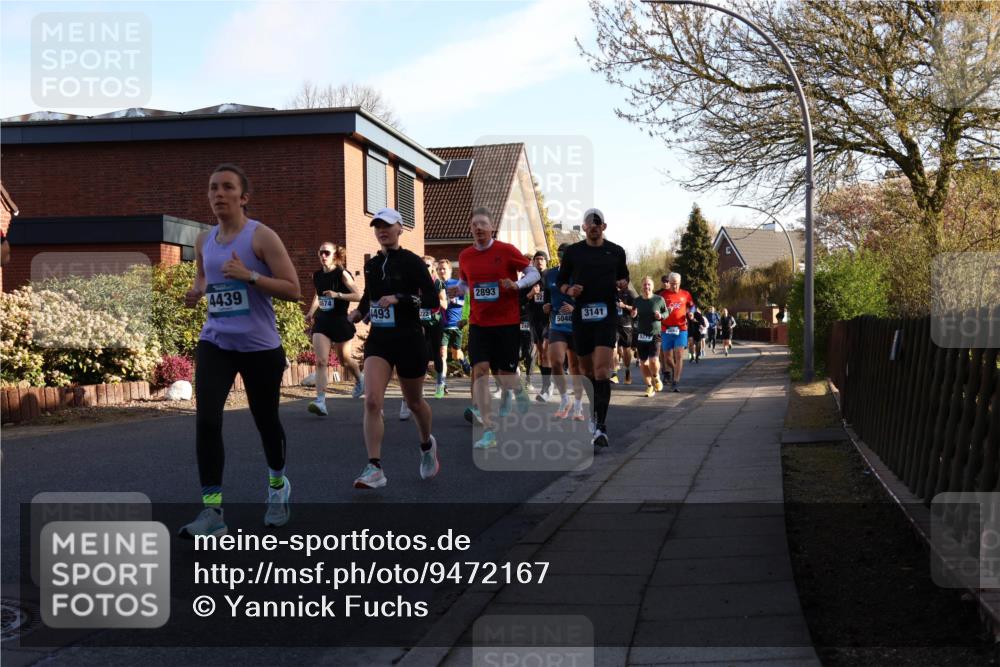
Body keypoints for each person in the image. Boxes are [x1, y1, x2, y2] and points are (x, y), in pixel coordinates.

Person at [179, 163, 301, 538]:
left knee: (266, 421)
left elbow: (293, 289)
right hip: (216, 341)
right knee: (207, 420)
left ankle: (278, 487)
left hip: (260, 347)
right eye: (212, 187)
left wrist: (250, 276)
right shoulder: (204, 240)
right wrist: (198, 291)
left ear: (243, 197)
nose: (218, 193)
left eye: (227, 187)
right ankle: (212, 512)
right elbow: (204, 273)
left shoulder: (261, 237)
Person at [348, 208, 440, 489]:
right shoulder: (372, 264)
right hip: (380, 339)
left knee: (414, 402)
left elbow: (431, 299)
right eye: (377, 226)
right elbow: (370, 297)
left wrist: (400, 298)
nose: (382, 231)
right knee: (372, 400)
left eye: (387, 226)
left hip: (410, 338)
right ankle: (374, 467)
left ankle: (427, 445)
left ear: (400, 228)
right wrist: (358, 313)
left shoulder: (412, 262)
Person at [448, 207, 540, 449]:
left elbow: (533, 272)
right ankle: (489, 431)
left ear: (492, 228)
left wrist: (517, 284)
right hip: (479, 323)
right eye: (474, 225)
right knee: (479, 371)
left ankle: (518, 389)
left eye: (482, 224)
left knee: (505, 375)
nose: (478, 228)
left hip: (506, 323)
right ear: (470, 229)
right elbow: (466, 284)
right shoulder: (465, 255)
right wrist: (459, 289)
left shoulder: (506, 251)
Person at [557, 208, 629, 448]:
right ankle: (595, 412)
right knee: (586, 371)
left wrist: (622, 283)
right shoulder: (574, 252)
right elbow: (560, 282)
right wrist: (569, 290)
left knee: (601, 371)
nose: (594, 227)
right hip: (582, 316)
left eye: (598, 224)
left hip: (607, 315)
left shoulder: (616, 251)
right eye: (590, 224)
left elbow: (624, 277)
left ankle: (600, 426)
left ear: (604, 227)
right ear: (584, 227)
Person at [305, 243, 362, 416]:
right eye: (320, 252)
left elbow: (358, 295)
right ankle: (321, 401)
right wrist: (310, 313)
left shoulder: (342, 274)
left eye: (327, 253)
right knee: (321, 361)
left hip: (340, 320)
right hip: (323, 321)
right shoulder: (317, 275)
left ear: (334, 255)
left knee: (344, 360)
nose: (323, 255)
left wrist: (338, 295)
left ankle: (360, 380)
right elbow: (318, 295)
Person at [544, 243, 585, 420]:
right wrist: (546, 306)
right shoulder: (550, 274)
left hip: (576, 326)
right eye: (561, 255)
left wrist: (575, 308)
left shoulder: (580, 274)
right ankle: (564, 399)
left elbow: (588, 299)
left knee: (576, 366)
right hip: (557, 325)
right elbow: (547, 296)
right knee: (556, 362)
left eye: (566, 254)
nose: (563, 257)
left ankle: (578, 405)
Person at [658, 272, 695, 392]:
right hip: (666, 329)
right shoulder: (663, 295)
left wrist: (691, 312)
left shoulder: (685, 294)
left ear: (680, 283)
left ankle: (675, 381)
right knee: (667, 358)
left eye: (676, 284)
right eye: (672, 283)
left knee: (679, 354)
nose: (674, 286)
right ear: (669, 282)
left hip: (681, 329)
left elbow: (692, 305)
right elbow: (658, 310)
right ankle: (674, 370)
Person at [438, 259, 471, 387]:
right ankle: (442, 384)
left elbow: (465, 302)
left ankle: (464, 361)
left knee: (456, 353)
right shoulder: (436, 285)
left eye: (444, 269)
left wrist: (452, 300)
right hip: (442, 325)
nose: (441, 271)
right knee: (442, 354)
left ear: (450, 271)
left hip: (455, 324)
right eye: (439, 269)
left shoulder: (457, 284)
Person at [633, 277, 668, 397]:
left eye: (648, 285)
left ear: (652, 286)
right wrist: (633, 314)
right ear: (641, 287)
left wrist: (660, 316)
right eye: (644, 285)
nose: (646, 287)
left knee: (653, 360)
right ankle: (649, 386)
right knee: (643, 363)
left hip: (655, 334)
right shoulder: (637, 300)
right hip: (641, 334)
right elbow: (633, 312)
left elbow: (666, 312)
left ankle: (656, 376)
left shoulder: (659, 299)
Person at [421, 256, 449, 399]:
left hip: (435, 322)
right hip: (420, 323)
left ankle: (439, 384)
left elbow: (445, 304)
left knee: (437, 354)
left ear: (432, 267)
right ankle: (419, 387)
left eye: (427, 265)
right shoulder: (416, 283)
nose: (424, 268)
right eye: (422, 265)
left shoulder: (438, 283)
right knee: (421, 354)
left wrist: (433, 299)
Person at [527, 251, 552, 402]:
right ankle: (546, 384)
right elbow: (522, 298)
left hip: (548, 320)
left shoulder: (550, 276)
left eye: (542, 259)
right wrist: (531, 293)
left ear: (546, 261)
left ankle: (547, 387)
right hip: (534, 320)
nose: (539, 261)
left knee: (546, 351)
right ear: (533, 262)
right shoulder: (530, 278)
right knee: (542, 355)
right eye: (537, 259)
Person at [613, 284, 637, 384]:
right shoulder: (611, 292)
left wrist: (625, 306)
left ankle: (627, 370)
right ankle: (614, 374)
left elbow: (636, 308)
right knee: (613, 347)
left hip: (626, 323)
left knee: (626, 349)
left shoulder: (630, 293)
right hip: (613, 324)